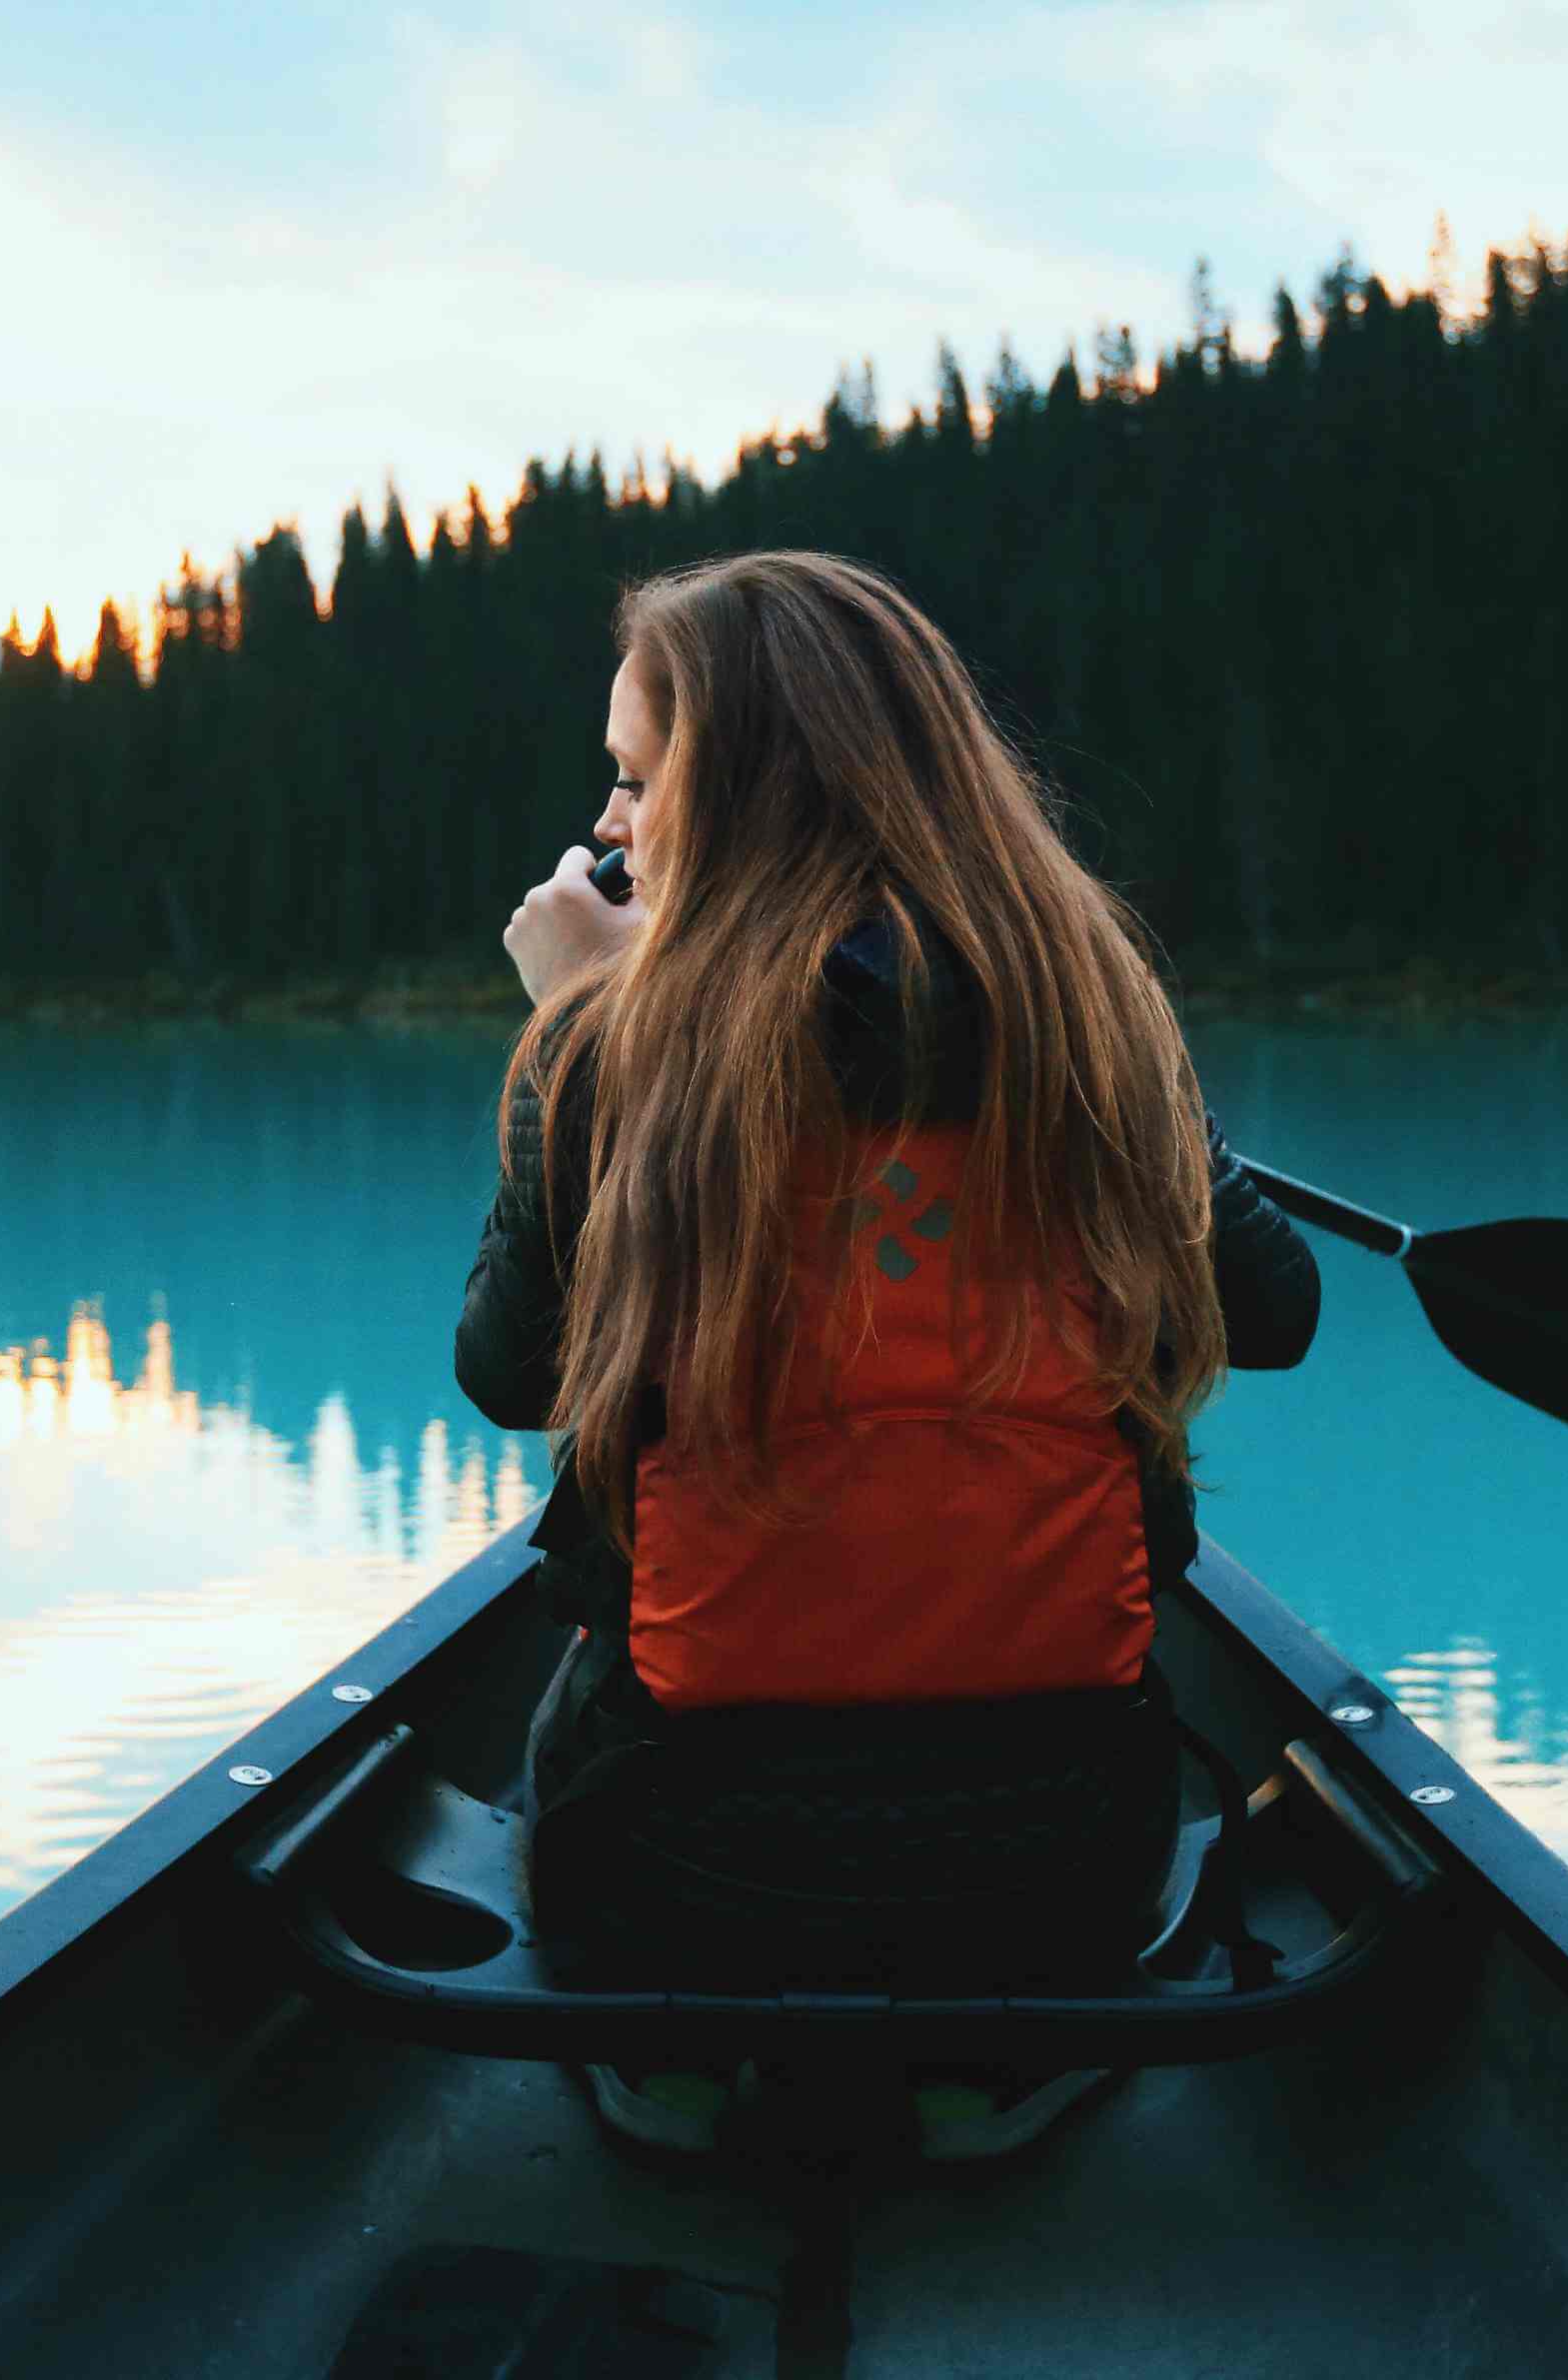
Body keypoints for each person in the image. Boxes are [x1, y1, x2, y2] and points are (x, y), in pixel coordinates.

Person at [452, 550, 1318, 2152]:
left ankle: (679, 2074)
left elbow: (506, 1375)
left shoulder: (610, 1049)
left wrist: (571, 1023)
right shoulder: (1091, 1015)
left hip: (681, 1875)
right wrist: (1163, 1107)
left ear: (743, 789)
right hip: (1059, 1868)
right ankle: (1002, 2066)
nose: (609, 828)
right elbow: (1277, 1313)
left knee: (570, 1703)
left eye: (639, 780)